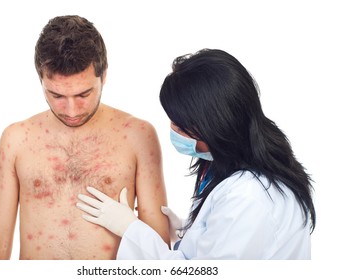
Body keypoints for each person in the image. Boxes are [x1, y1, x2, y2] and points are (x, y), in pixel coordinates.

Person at [76, 49, 316, 259]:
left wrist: (130, 229)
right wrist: (188, 230)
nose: (173, 130)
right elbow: (218, 244)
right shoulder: (239, 161)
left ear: (215, 126)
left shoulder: (248, 198)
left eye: (180, 126)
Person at [0, 15, 170, 260]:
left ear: (104, 77)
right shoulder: (16, 139)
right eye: (56, 96)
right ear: (40, 79)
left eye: (84, 94)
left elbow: (158, 242)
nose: (72, 110)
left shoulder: (138, 136)